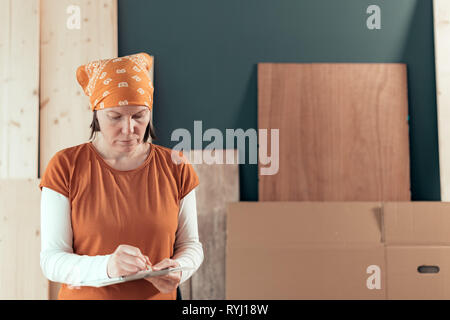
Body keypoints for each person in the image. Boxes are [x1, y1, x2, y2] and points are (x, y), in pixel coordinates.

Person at [38, 52, 203, 300]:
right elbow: (51, 260)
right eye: (115, 117)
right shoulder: (65, 166)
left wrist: (180, 269)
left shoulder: (175, 166)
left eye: (139, 115)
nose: (129, 129)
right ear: (96, 114)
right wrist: (108, 267)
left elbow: (190, 246)